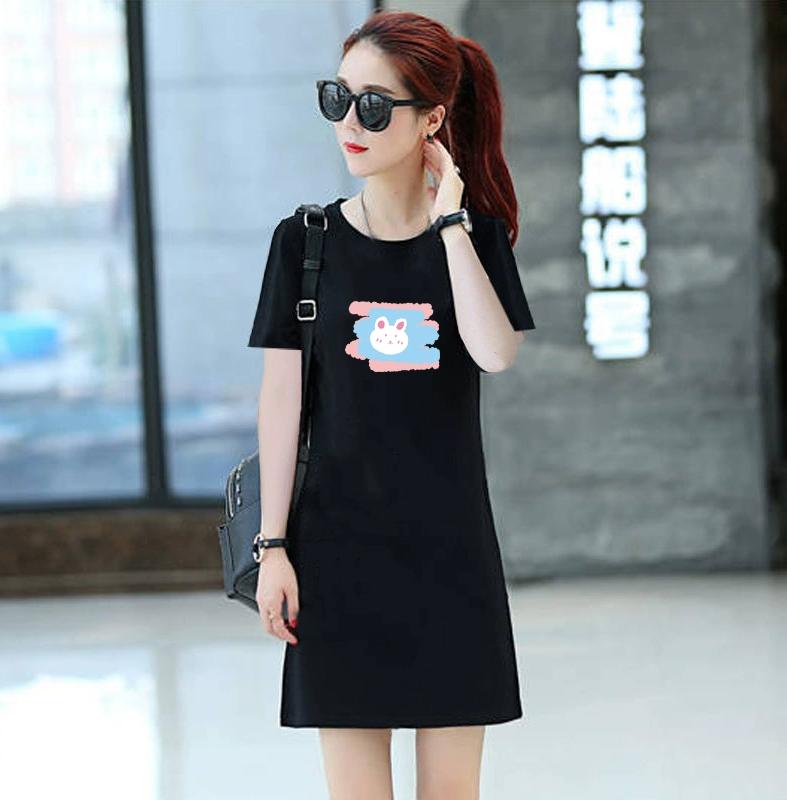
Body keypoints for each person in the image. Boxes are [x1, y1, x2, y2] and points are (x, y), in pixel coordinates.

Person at [246, 9, 536, 800]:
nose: (349, 122)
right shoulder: (303, 243)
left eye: (373, 106)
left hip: (451, 557)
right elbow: (281, 401)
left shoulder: (475, 238)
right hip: (334, 556)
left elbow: (496, 352)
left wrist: (451, 225)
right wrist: (272, 548)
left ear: (432, 120)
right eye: (337, 98)